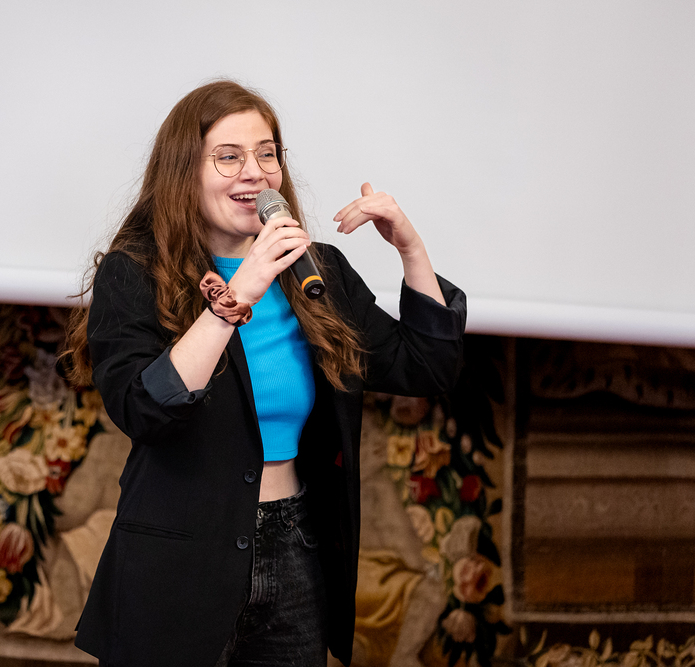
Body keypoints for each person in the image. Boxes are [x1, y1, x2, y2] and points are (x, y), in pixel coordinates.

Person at [63, 80, 466, 667]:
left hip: (295, 545)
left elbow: (427, 366)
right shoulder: (134, 274)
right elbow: (144, 410)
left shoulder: (316, 272)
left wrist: (410, 248)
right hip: (179, 556)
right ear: (183, 171)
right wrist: (238, 294)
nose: (254, 172)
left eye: (267, 153)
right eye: (228, 157)